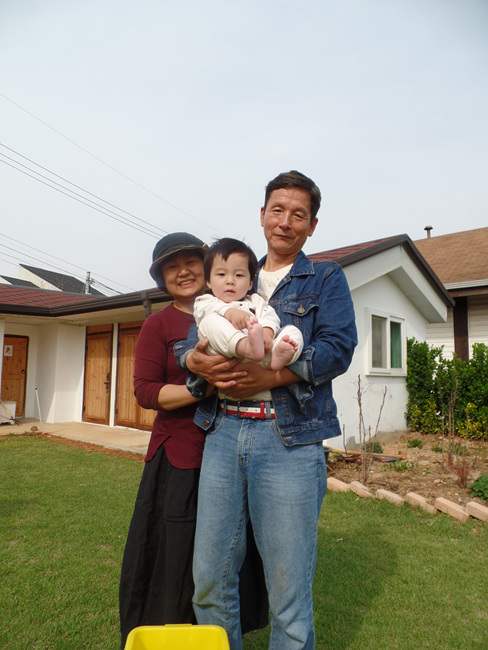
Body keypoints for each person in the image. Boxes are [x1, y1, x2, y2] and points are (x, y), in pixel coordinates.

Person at [176, 171, 358, 650]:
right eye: (277, 210)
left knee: (289, 594)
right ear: (262, 215)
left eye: (298, 214)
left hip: (289, 440)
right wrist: (193, 361)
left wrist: (272, 376)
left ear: (312, 225)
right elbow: (190, 333)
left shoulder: (325, 278)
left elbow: (338, 347)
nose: (285, 221)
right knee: (210, 581)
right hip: (222, 435)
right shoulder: (234, 269)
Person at [118, 233, 268, 649]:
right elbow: (146, 392)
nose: (182, 271)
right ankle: (174, 636)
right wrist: (202, 388)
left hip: (236, 451)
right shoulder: (159, 323)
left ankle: (221, 635)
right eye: (171, 266)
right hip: (181, 457)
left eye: (190, 262)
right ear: (162, 277)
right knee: (178, 556)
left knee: (228, 557)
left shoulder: (239, 311)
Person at [194, 237, 303, 370]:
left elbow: (269, 316)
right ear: (209, 281)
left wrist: (267, 332)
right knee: (208, 321)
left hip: (263, 354)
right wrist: (230, 313)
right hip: (227, 354)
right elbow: (202, 314)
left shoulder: (255, 300)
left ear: (250, 283)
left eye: (239, 275)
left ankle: (280, 357)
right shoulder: (205, 301)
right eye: (221, 274)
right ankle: (246, 346)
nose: (230, 281)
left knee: (292, 331)